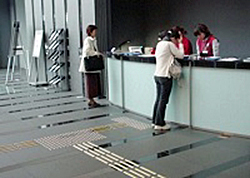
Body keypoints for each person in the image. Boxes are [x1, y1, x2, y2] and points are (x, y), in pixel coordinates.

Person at [152, 29, 184, 130]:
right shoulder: (169, 45)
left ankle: (155, 121)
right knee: (163, 101)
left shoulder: (159, 44)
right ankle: (160, 124)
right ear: (173, 38)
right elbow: (181, 55)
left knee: (158, 99)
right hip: (165, 76)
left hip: (157, 75)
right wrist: (181, 44)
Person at [79, 25, 102, 108]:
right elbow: (87, 51)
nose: (95, 33)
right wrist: (97, 54)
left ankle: (92, 100)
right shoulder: (88, 40)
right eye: (94, 31)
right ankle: (91, 100)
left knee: (92, 83)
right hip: (89, 66)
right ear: (91, 31)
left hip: (92, 67)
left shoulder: (92, 40)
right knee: (91, 83)